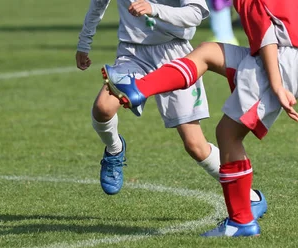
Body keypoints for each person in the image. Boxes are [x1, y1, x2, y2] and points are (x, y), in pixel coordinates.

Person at [101, 0, 298, 237]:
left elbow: (266, 35)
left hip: (282, 58)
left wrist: (278, 85)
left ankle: (241, 220)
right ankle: (139, 89)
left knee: (228, 134)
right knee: (208, 52)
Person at [76, 0, 267, 219]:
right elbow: (98, 4)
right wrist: (84, 43)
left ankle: (252, 198)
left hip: (176, 55)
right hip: (132, 54)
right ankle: (115, 149)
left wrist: (154, 9)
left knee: (195, 145)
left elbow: (196, 14)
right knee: (103, 107)